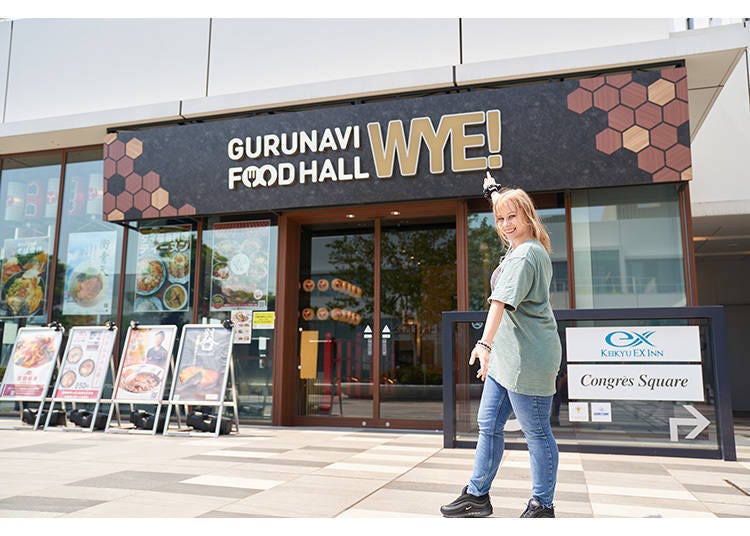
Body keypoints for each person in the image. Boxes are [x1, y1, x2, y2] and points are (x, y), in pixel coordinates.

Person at [440, 171, 562, 518]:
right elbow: (502, 205)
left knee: (536, 432)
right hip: (507, 358)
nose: (506, 224)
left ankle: (542, 504)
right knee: (489, 423)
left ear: (528, 217)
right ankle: (477, 496)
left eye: (513, 217)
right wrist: (493, 190)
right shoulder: (520, 247)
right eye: (501, 219)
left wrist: (484, 344)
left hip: (528, 358)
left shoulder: (525, 255)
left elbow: (500, 302)